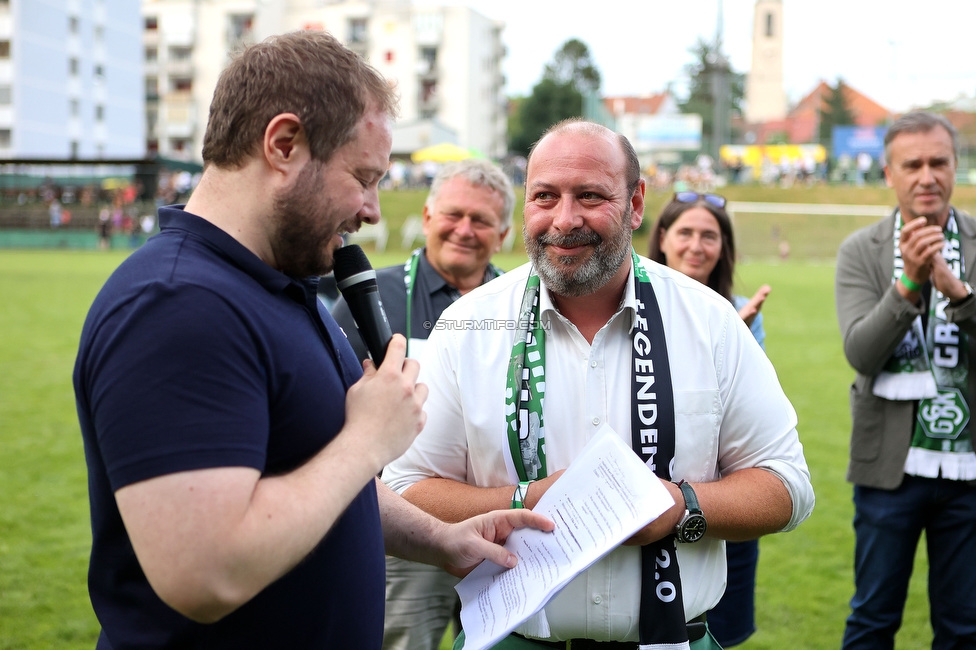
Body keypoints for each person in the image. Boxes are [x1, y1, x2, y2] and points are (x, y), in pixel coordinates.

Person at [72, 30, 552, 650]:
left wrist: (440, 539)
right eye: (364, 177)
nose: (374, 210)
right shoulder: (177, 305)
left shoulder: (282, 287)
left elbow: (315, 474)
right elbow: (205, 574)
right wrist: (366, 440)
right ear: (284, 144)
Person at [384, 118, 815, 649]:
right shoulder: (469, 325)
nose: (565, 220)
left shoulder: (708, 321)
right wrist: (524, 500)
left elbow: (787, 486)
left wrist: (679, 509)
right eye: (545, 196)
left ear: (635, 203)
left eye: (590, 196)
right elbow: (407, 490)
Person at [331, 157, 515, 650]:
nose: (464, 229)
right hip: (403, 523)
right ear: (428, 216)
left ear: (503, 234)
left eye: (481, 221)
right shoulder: (368, 293)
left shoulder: (520, 304)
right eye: (454, 214)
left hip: (502, 518)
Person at [835, 111, 976, 648]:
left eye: (938, 162)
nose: (927, 176)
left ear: (955, 167)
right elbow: (862, 354)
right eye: (911, 164)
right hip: (888, 469)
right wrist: (910, 284)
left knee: (964, 628)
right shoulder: (861, 252)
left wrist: (959, 296)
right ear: (889, 174)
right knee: (872, 620)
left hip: (969, 468)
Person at [647, 191, 772, 648]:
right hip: (651, 495)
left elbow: (746, 418)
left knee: (723, 630)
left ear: (723, 248)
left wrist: (733, 334)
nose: (696, 246)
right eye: (685, 233)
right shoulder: (627, 301)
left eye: (709, 236)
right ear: (662, 239)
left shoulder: (737, 312)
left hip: (722, 497)